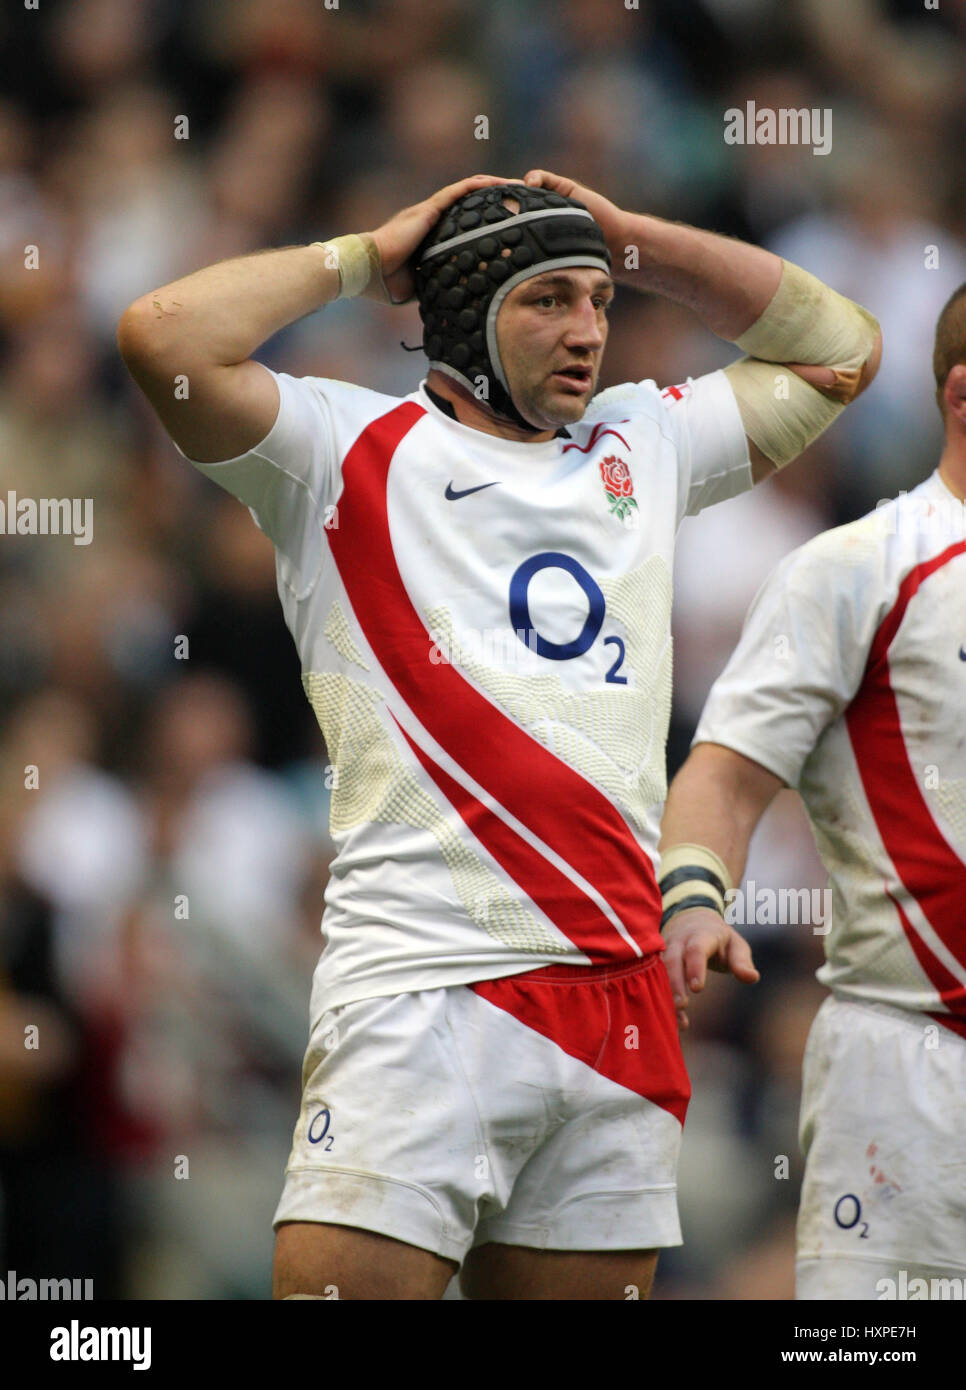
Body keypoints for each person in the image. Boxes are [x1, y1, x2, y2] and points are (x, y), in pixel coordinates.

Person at [117, 169, 880, 1300]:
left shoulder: (645, 440)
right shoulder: (336, 446)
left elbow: (842, 351)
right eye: (549, 301)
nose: (587, 331)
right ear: (469, 312)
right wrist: (367, 259)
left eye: (599, 301)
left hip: (617, 996)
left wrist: (635, 241)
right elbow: (161, 334)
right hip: (422, 988)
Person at [659, 283, 966, 1300]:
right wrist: (695, 899)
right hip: (914, 1061)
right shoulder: (859, 568)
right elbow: (727, 775)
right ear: (962, 396)